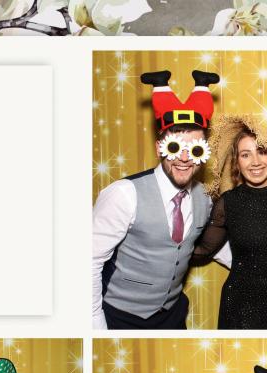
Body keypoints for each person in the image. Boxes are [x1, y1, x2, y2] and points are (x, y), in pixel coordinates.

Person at [92, 70, 220, 330]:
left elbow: (210, 243)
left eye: (195, 149)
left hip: (172, 315)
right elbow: (89, 261)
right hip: (120, 316)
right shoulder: (124, 194)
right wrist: (95, 326)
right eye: (175, 147)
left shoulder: (204, 198)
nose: (184, 158)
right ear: (159, 147)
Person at [191, 114, 267, 329]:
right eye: (245, 155)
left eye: (261, 152)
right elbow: (203, 249)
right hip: (240, 306)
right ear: (237, 162)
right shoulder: (228, 202)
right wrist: (160, 248)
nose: (255, 162)